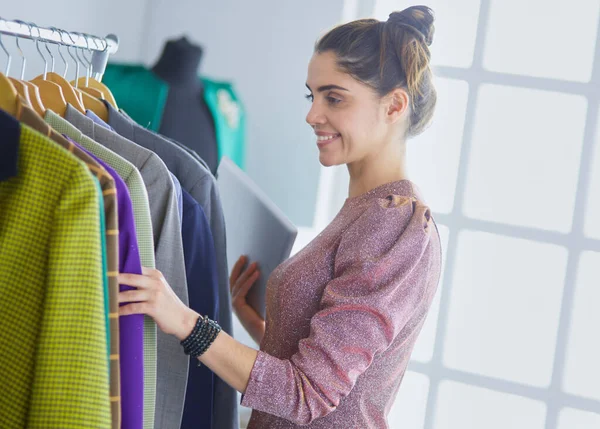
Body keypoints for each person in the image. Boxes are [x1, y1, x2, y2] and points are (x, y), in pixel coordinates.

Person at [118, 5, 443, 428]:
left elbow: (308, 394)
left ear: (394, 106)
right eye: (312, 96)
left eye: (334, 97)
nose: (312, 115)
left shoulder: (394, 225)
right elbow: (334, 377)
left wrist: (183, 320)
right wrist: (263, 328)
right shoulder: (367, 209)